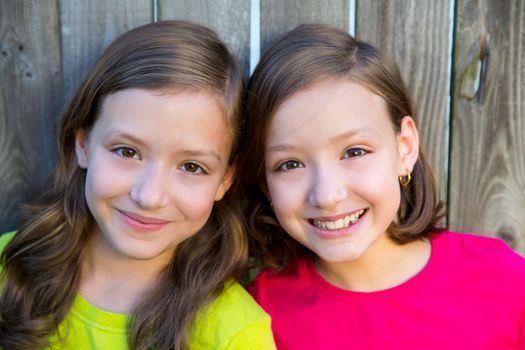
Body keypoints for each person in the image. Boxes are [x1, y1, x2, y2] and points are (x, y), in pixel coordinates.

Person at [240, 24, 525, 349]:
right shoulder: (258, 317)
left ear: (405, 147)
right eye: (289, 164)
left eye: (354, 152)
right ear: (264, 182)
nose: (328, 195)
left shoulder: (504, 282)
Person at [0, 20, 275, 349]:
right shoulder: (8, 268)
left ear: (225, 181)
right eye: (127, 151)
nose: (149, 196)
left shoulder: (234, 334)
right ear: (83, 144)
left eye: (191, 166)